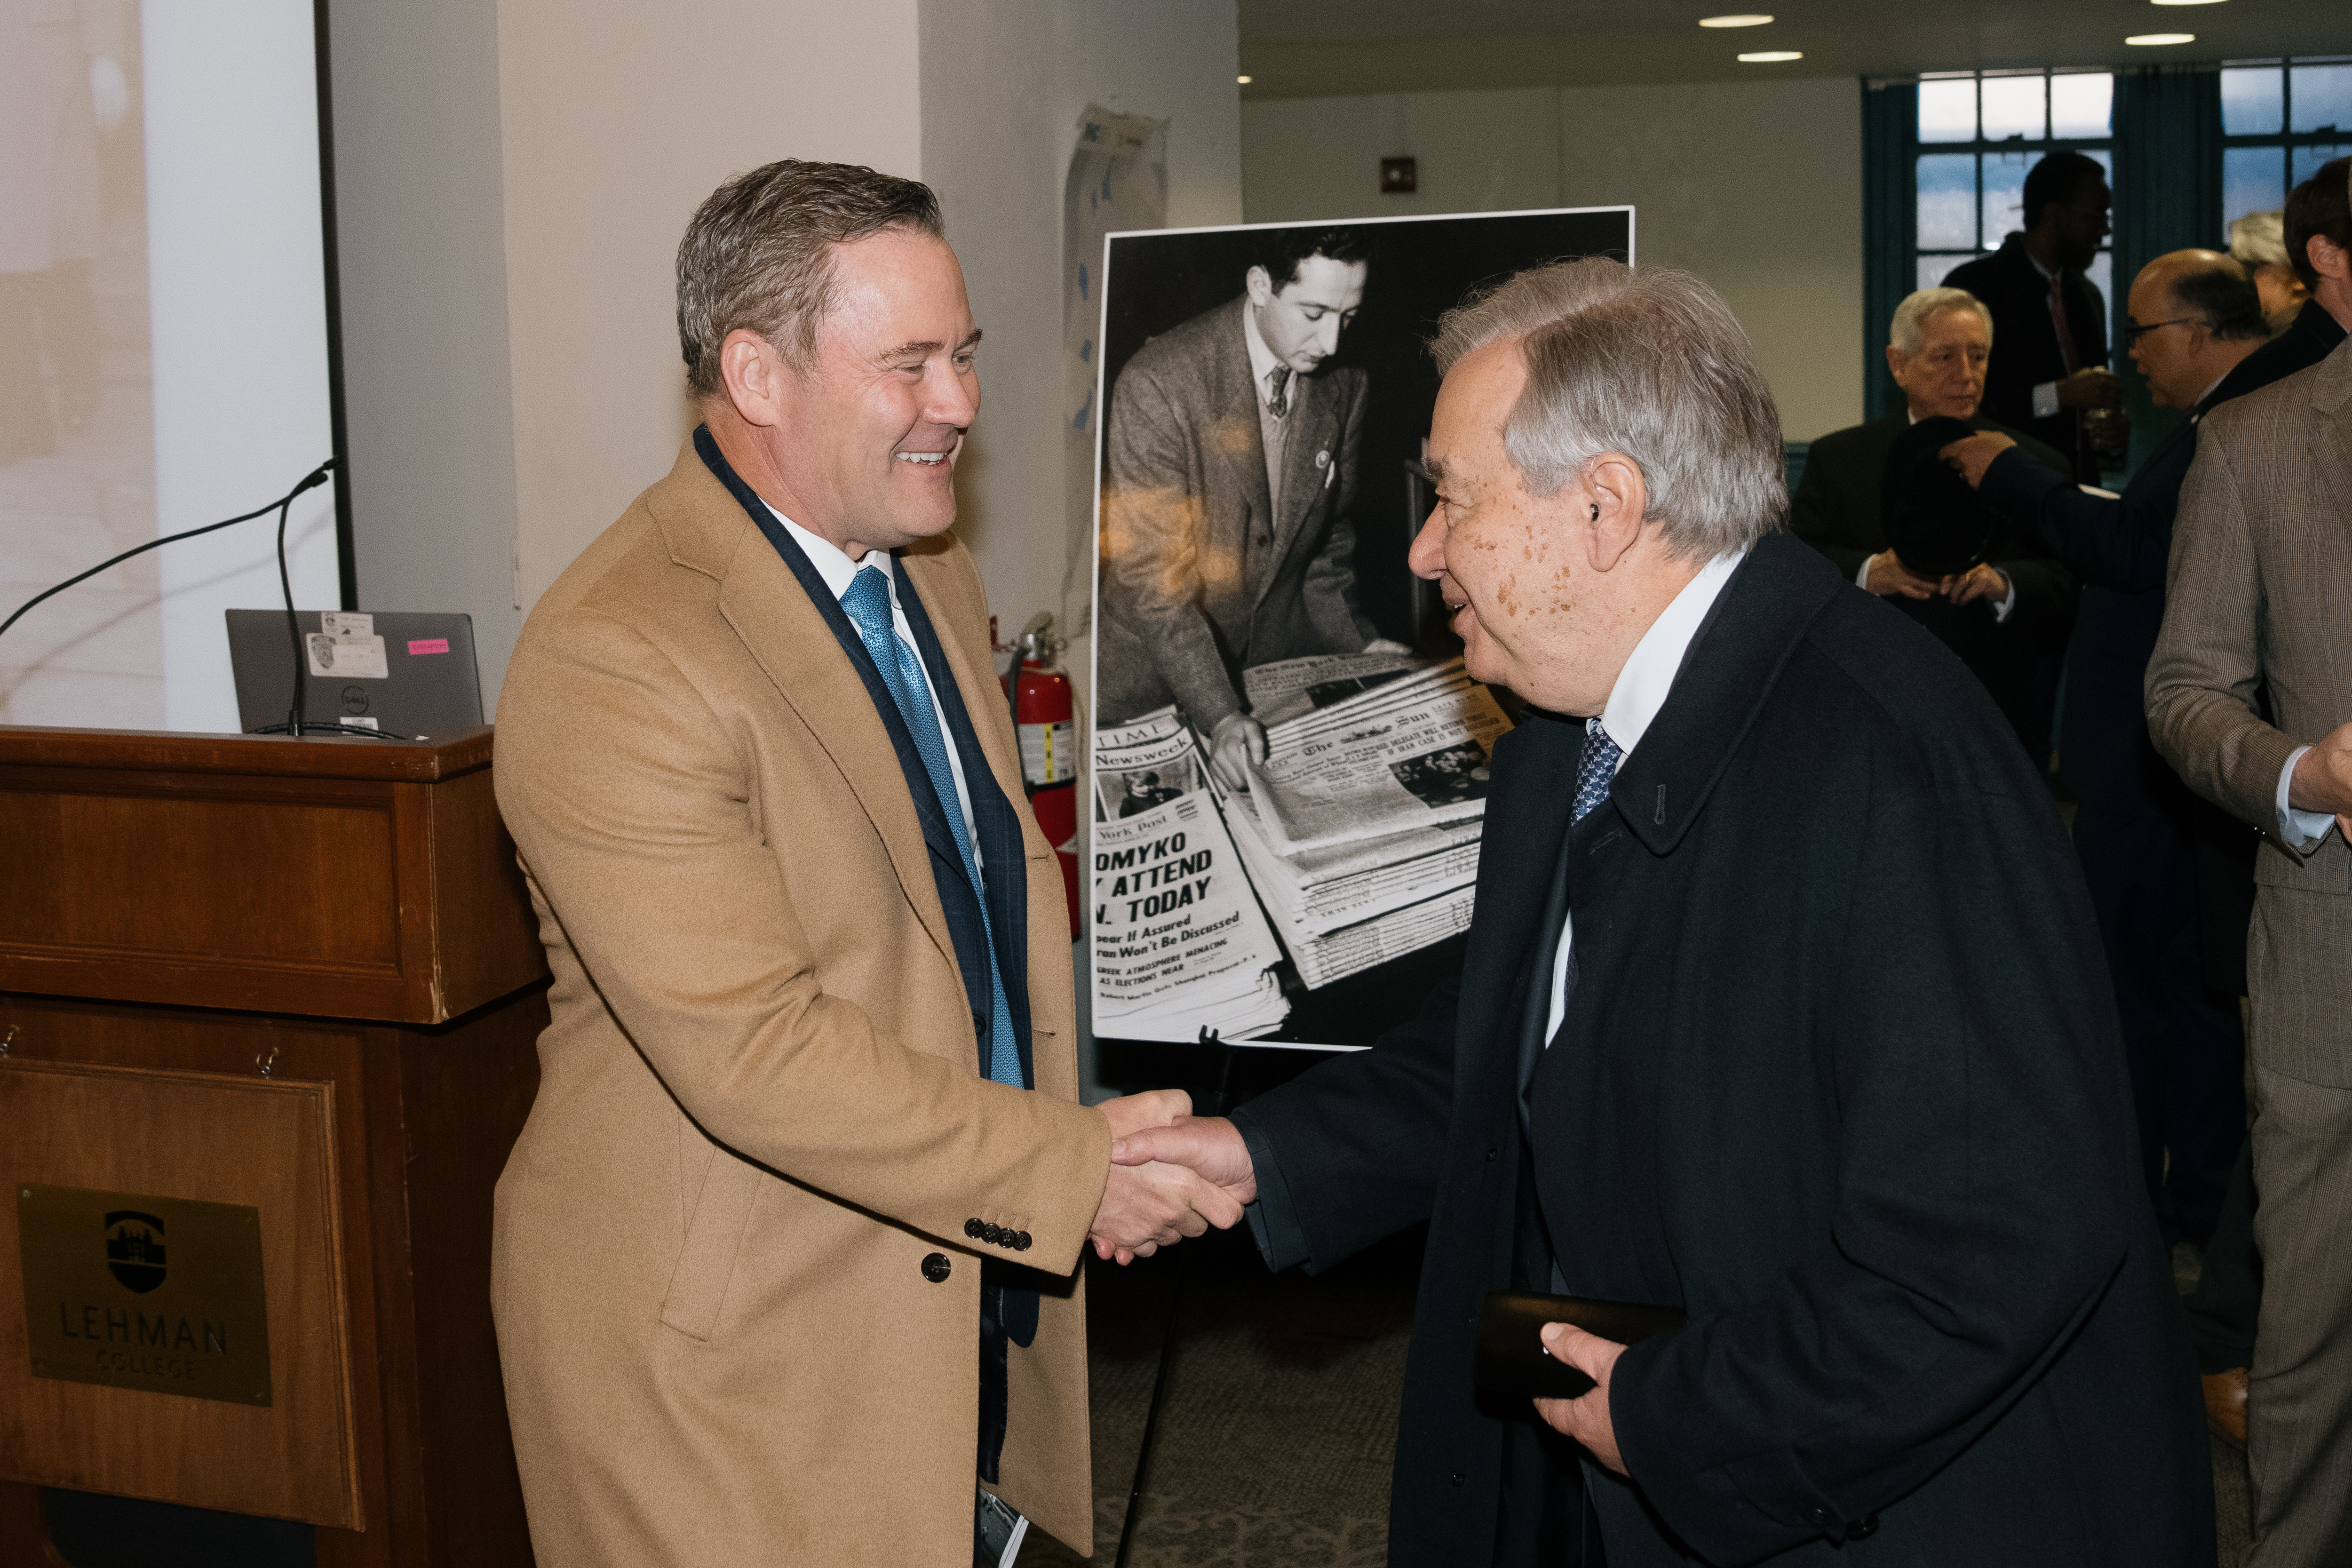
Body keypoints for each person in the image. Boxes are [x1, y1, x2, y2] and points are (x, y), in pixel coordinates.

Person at [1119, 257, 2209, 1567]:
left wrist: (1680, 1410)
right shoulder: (1562, 729)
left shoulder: (1885, 761)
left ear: (1602, 508)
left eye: (1450, 499)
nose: (1420, 548)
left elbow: (1990, 1247)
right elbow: (1508, 1042)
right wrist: (1266, 1162)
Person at [488, 160, 1240, 1566]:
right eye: (907, 364)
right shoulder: (615, 654)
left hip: (947, 1295)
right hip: (726, 1370)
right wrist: (1071, 1166)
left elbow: (955, 922)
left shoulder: (929, 568)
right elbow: (757, 1055)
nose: (956, 402)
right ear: (755, 374)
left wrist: (1069, 1126)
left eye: (961, 355)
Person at [1942, 253, 2280, 1254]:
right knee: (2186, 989)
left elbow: (2136, 547)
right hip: (2171, 766)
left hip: (2166, 760)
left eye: (2142, 332)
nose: (2128, 357)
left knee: (2142, 988)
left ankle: (2140, 1208)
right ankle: (2170, 1203)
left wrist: (2015, 470)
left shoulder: (2235, 417)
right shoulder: (2236, 411)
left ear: (2198, 331)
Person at [2146, 236, 2352, 1566]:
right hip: (2332, 962)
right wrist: (2300, 769)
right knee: (2317, 1344)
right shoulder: (2257, 443)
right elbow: (2184, 690)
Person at [1097, 226, 1409, 791]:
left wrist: (1359, 643)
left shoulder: (1346, 386)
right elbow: (1151, 579)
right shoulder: (1158, 383)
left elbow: (1324, 543)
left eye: (1348, 317)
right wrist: (1218, 712)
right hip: (1152, 685)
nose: (1333, 343)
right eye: (1313, 313)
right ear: (1260, 285)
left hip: (1268, 680)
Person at [1790, 286, 2074, 758]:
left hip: (1995, 710)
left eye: (1977, 356)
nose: (1965, 375)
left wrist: (2002, 583)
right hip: (1867, 705)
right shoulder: (1838, 459)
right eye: (1943, 357)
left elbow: (2068, 584)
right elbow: (1792, 565)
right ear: (1899, 365)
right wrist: (1866, 573)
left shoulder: (2036, 465)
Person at [1944, 150, 2127, 481]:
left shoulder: (2086, 296)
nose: (2105, 230)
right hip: (2004, 497)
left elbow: (2092, 407)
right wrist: (2059, 395)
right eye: (2096, 216)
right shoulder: (1974, 287)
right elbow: (1959, 401)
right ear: (2054, 215)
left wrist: (2109, 432)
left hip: (2077, 498)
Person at [2230, 209, 2309, 337]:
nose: (2243, 280)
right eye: (2239, 268)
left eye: (2257, 266)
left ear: (2299, 277)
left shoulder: (2296, 342)